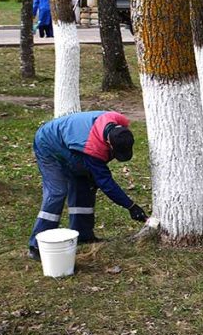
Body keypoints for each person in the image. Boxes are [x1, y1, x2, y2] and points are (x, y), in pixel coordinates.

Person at [28, 111, 147, 260]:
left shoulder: (119, 125)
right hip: (48, 144)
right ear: (109, 143)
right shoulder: (93, 147)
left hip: (70, 143)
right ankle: (36, 245)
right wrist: (131, 206)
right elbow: (106, 183)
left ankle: (83, 234)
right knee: (57, 192)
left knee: (85, 183)